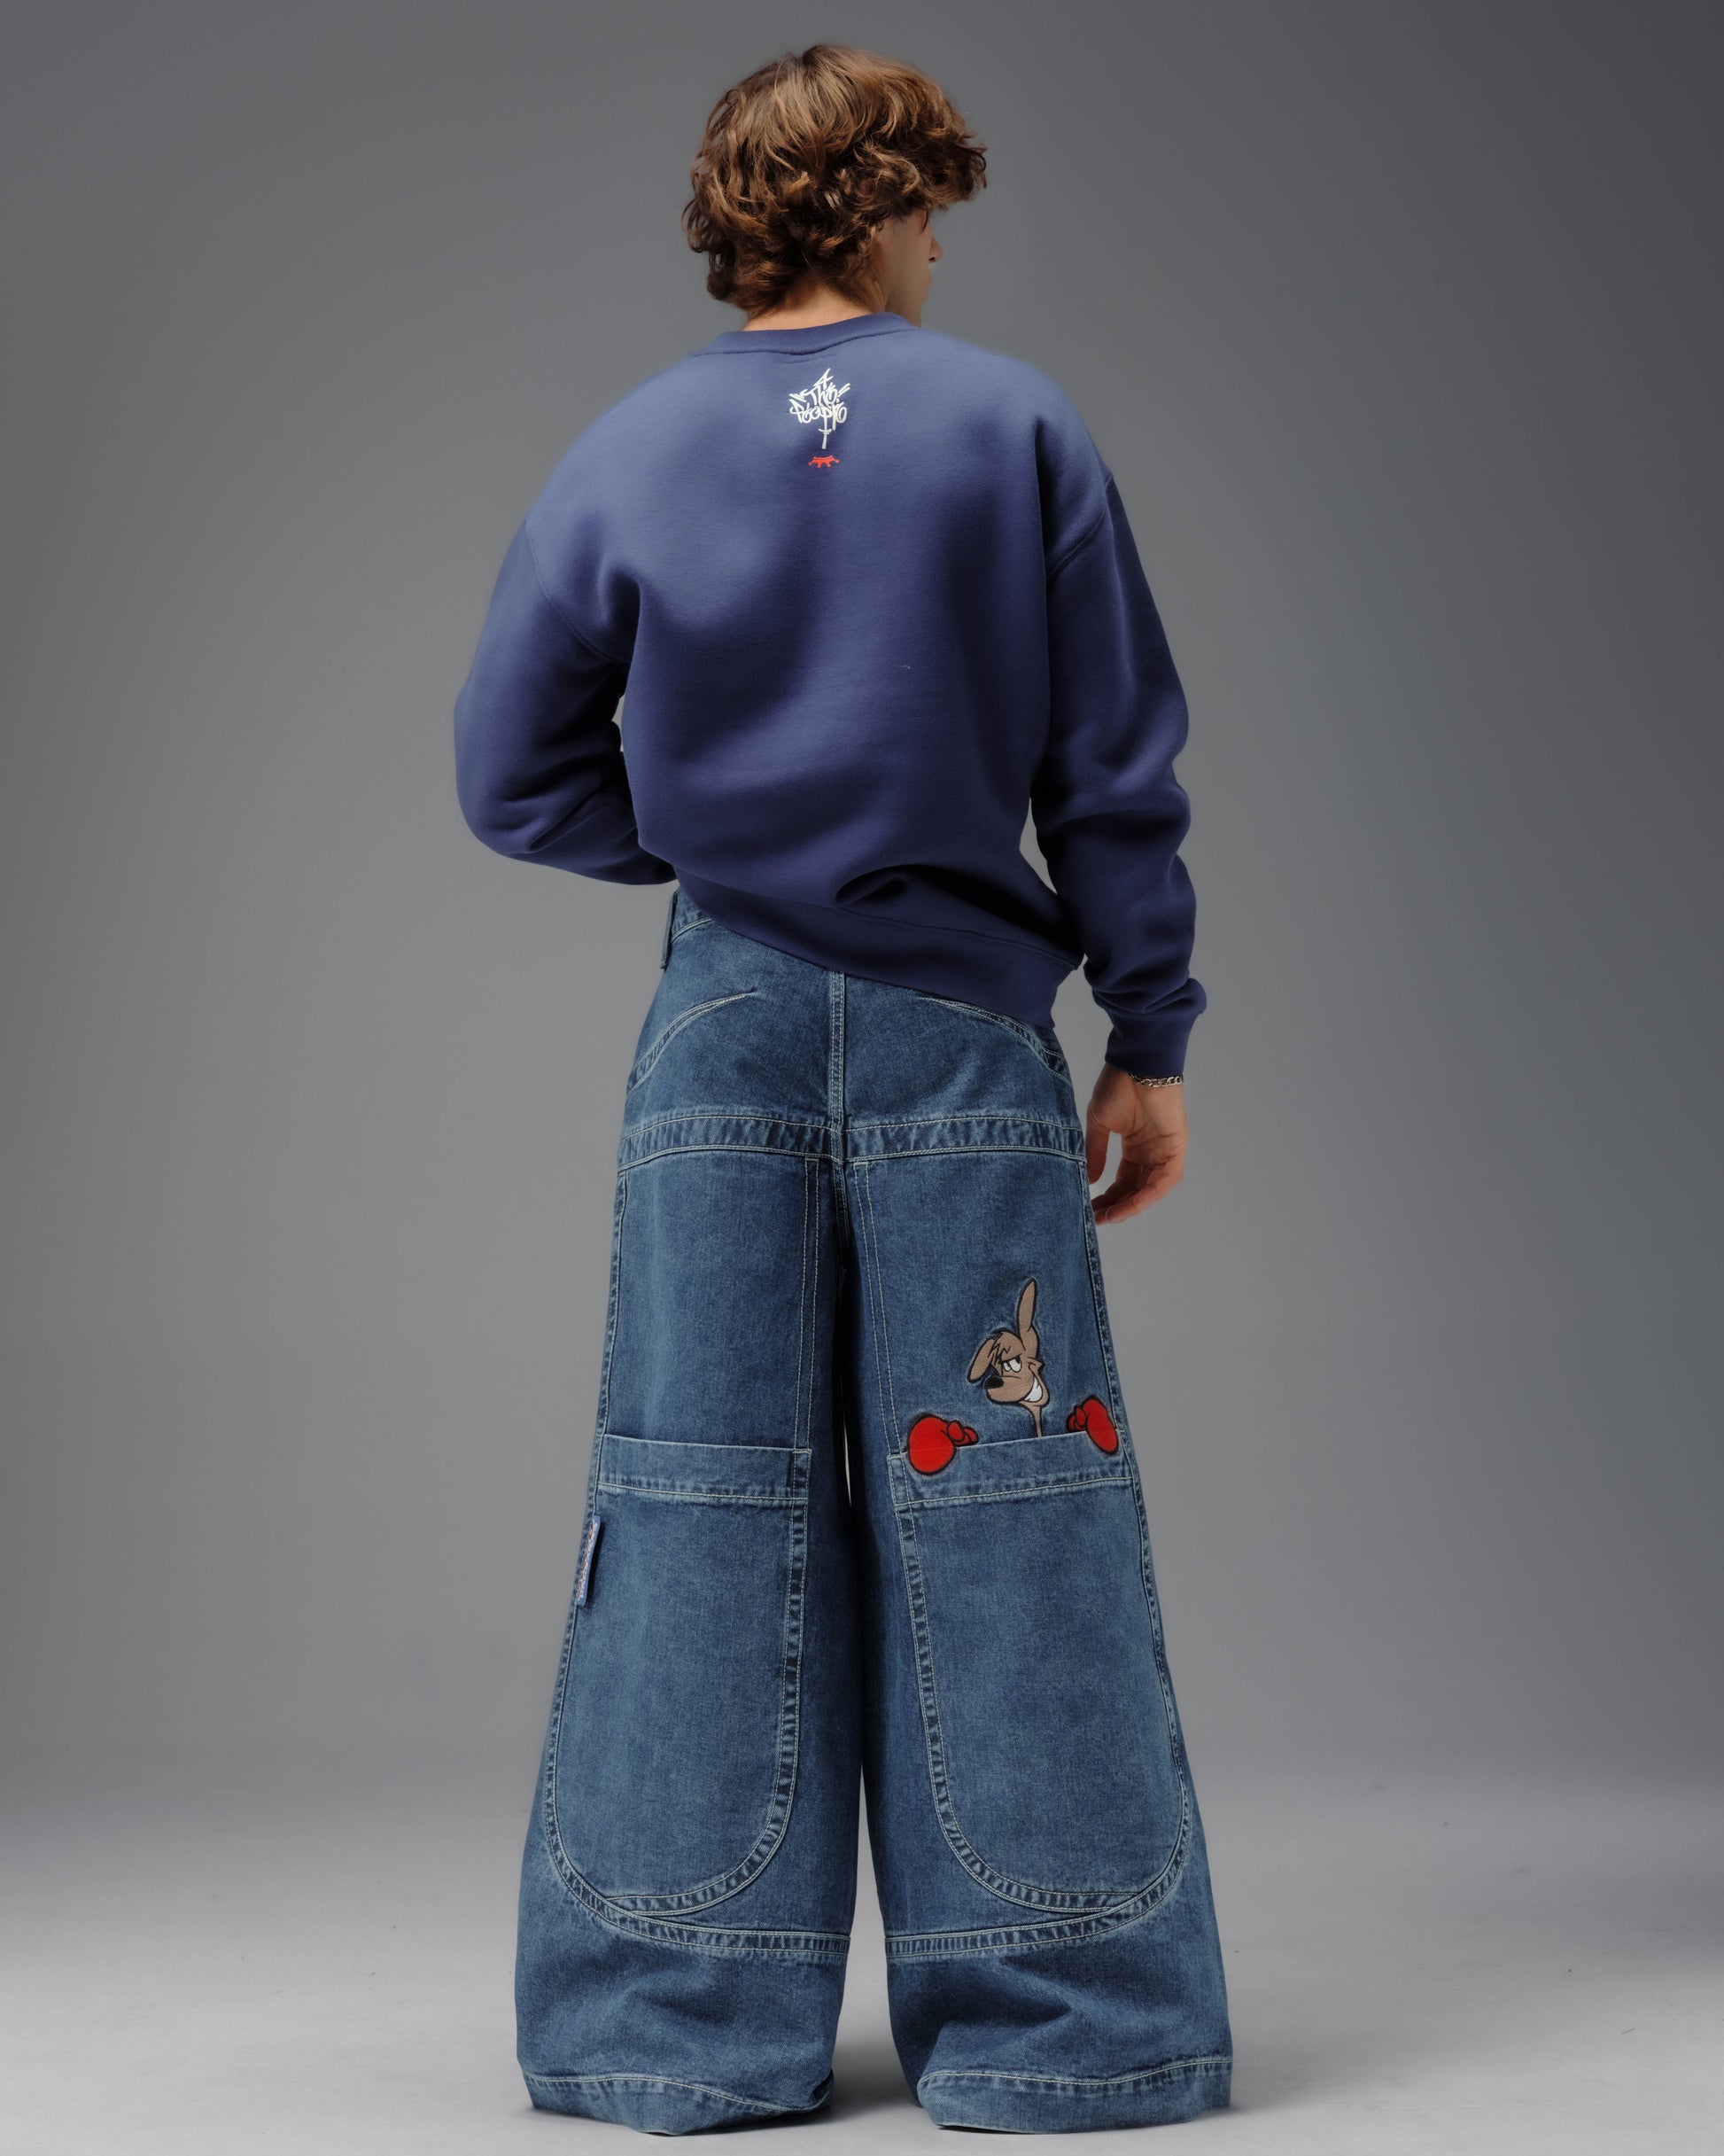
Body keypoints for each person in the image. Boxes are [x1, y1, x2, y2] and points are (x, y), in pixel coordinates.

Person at [453, 41, 1231, 2137]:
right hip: (965, 1035)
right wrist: (1149, 1033)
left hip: (718, 1026)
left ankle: (675, 2016)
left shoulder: (627, 446)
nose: (938, 245)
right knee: (1009, 1490)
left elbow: (508, 776)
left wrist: (715, 848)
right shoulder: (1013, 424)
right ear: (884, 205)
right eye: (932, 207)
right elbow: (1112, 769)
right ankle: (1071, 2025)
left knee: (699, 1490)